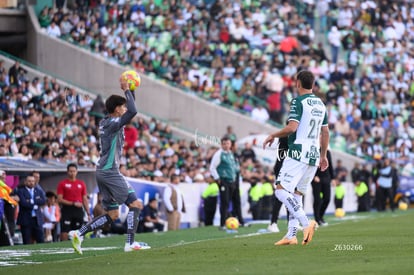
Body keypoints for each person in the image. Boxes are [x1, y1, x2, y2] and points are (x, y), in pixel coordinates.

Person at [68, 76, 151, 254]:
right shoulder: (114, 123)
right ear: (116, 109)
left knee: (112, 214)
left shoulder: (107, 122)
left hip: (102, 171)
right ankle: (130, 243)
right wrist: (127, 90)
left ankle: (79, 234)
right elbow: (133, 111)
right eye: (122, 106)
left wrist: (131, 90)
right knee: (135, 204)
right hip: (110, 171)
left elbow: (130, 109)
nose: (125, 108)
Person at [263, 70, 329, 246]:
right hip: (314, 154)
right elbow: (325, 132)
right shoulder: (321, 105)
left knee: (280, 189)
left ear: (298, 83)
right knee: (296, 194)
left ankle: (306, 223)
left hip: (298, 151)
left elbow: (291, 128)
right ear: (313, 84)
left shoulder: (298, 101)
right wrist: (323, 156)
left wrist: (273, 135)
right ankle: (291, 235)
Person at [209, 136, 238, 229]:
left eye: (228, 143)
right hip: (224, 181)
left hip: (231, 181)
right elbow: (212, 167)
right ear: (221, 144)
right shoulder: (219, 154)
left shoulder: (230, 154)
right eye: (224, 143)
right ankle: (222, 224)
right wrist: (218, 178)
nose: (226, 145)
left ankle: (227, 220)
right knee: (224, 202)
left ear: (230, 144)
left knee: (229, 202)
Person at [57, 163, 90, 241]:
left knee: (78, 231)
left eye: (74, 171)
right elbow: (59, 199)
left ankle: (76, 246)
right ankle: (64, 248)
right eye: (70, 171)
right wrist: (73, 203)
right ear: (67, 172)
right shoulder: (62, 184)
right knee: (65, 231)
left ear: (77, 172)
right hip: (67, 210)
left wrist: (88, 213)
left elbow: (84, 199)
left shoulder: (81, 184)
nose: (72, 173)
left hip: (78, 210)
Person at [15, 175, 46, 244]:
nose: (31, 183)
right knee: (26, 240)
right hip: (26, 219)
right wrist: (35, 203)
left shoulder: (38, 191)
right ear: (25, 182)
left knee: (41, 239)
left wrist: (31, 201)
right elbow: (23, 203)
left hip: (37, 219)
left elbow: (43, 201)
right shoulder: (21, 191)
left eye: (33, 181)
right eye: (29, 181)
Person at [311, 149, 334, 226]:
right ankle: (317, 219)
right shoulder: (313, 149)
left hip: (326, 178)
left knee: (327, 199)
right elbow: (310, 163)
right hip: (316, 178)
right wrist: (313, 176)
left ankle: (320, 216)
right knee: (317, 200)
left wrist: (333, 178)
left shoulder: (328, 152)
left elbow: (330, 164)